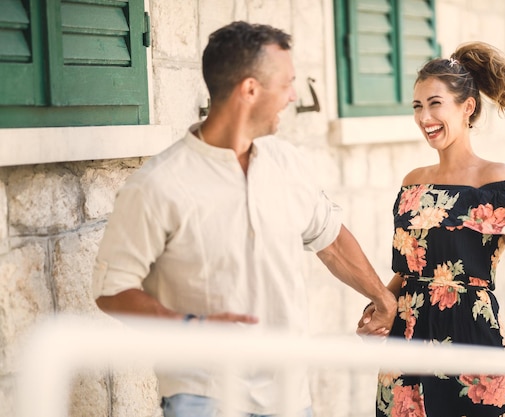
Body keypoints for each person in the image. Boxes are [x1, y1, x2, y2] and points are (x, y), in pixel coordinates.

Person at [92, 21, 396, 417]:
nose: (292, 96)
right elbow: (111, 288)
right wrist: (189, 327)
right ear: (250, 90)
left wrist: (383, 298)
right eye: (286, 83)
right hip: (202, 395)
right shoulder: (156, 185)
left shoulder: (286, 164)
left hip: (288, 395)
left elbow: (331, 239)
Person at [357, 42, 505, 417]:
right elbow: (407, 269)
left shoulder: (498, 180)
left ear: (467, 108)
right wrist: (379, 307)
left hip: (473, 342)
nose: (424, 117)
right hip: (408, 341)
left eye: (435, 103)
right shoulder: (413, 183)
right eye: (417, 106)